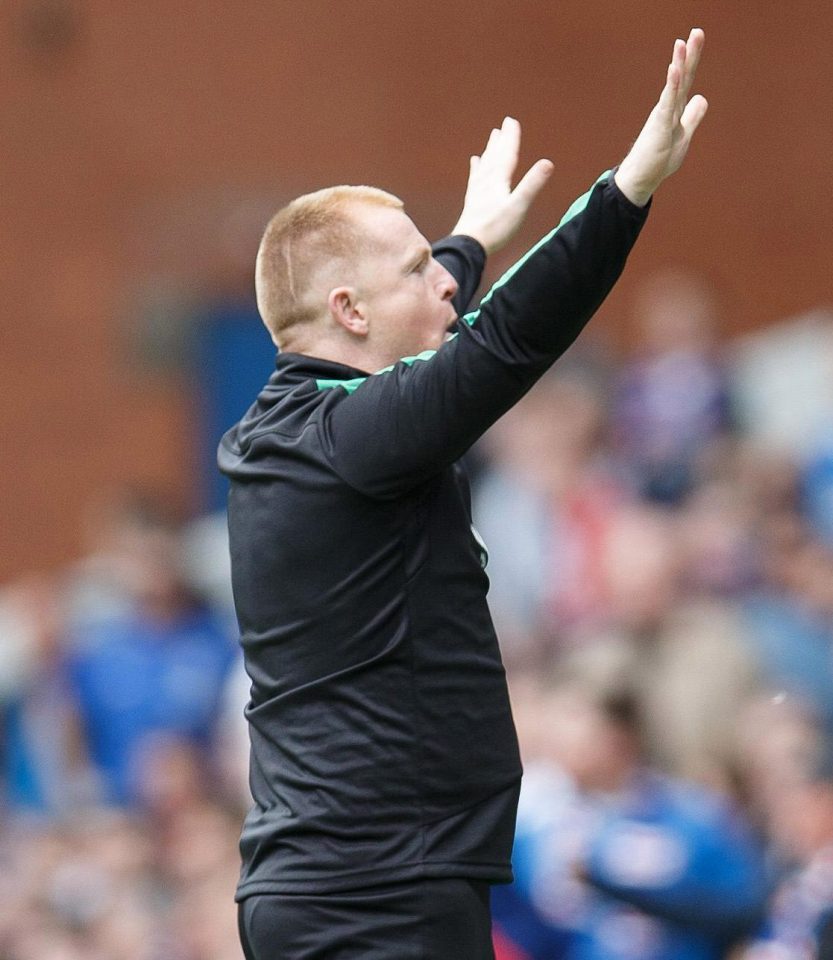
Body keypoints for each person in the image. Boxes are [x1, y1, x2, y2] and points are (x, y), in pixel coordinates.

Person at [218, 29, 708, 960]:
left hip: (372, 885)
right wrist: (624, 192)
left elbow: (427, 332)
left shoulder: (305, 420)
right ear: (350, 314)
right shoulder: (345, 439)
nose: (440, 283)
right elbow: (498, 348)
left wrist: (471, 239)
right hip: (373, 899)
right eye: (416, 272)